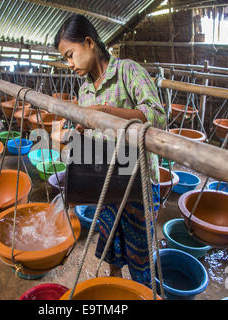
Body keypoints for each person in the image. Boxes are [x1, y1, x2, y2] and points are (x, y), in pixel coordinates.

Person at [54, 14, 166, 286]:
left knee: (140, 256)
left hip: (137, 180)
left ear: (90, 42)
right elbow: (92, 138)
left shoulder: (128, 71)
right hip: (105, 179)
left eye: (71, 54)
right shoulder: (84, 91)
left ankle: (142, 290)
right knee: (111, 241)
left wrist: (104, 112)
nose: (69, 64)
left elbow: (157, 116)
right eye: (65, 59)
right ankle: (114, 285)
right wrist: (77, 134)